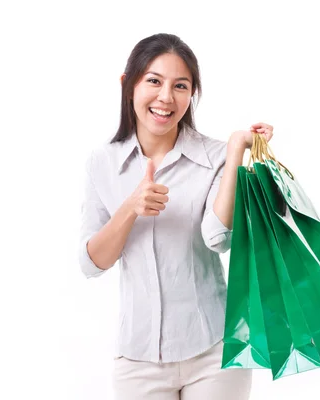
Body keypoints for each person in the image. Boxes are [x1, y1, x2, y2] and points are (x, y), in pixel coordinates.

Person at [78, 33, 274, 400]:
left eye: (180, 86)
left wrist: (234, 154)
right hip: (138, 359)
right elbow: (92, 264)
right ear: (128, 85)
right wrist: (130, 208)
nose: (166, 97)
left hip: (214, 351)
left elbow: (219, 238)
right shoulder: (102, 163)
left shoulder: (213, 157)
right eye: (154, 81)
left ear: (192, 94)